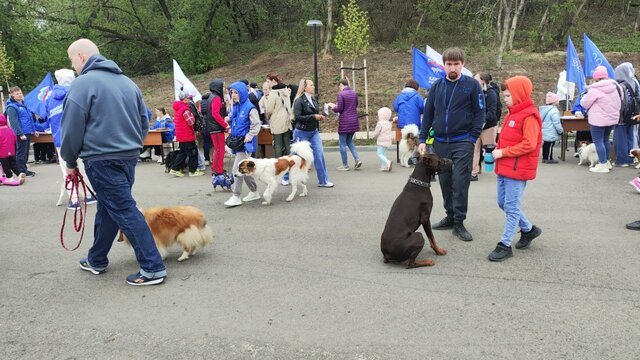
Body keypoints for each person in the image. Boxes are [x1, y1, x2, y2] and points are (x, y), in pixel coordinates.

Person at [60, 38, 166, 285]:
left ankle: (153, 268)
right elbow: (144, 120)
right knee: (110, 207)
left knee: (124, 209)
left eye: (71, 59)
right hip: (128, 157)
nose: (72, 65)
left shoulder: (82, 84)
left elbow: (71, 128)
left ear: (81, 57)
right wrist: (133, 145)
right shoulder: (128, 83)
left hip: (102, 158)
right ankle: (96, 259)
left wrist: (70, 161)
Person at [418, 47, 485, 242]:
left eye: (456, 64)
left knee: (460, 182)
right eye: (449, 64)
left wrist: (472, 138)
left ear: (463, 64)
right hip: (440, 143)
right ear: (444, 65)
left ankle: (459, 222)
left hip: (462, 141)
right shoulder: (437, 87)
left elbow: (480, 113)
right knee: (445, 182)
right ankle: (449, 216)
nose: (452, 67)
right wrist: (423, 139)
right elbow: (428, 115)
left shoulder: (472, 86)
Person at [487, 75, 543, 262]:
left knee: (511, 206)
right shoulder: (514, 112)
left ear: (519, 94)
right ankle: (528, 230)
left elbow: (529, 144)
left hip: (517, 169)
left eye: (508, 95)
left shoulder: (529, 116)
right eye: (504, 96)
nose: (505, 99)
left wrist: (503, 153)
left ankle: (504, 244)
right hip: (506, 167)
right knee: (503, 203)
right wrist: (498, 149)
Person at [46, 68, 97, 209]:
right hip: (79, 137)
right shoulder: (77, 91)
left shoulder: (50, 97)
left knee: (67, 169)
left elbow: (48, 117)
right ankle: (88, 194)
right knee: (84, 167)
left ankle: (74, 199)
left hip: (60, 139)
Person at [223, 81, 262, 207]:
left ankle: (236, 195)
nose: (233, 95)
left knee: (237, 169)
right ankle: (254, 191)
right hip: (237, 142)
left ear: (242, 93)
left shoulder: (250, 107)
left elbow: (256, 125)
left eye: (236, 92)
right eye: (232, 92)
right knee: (244, 170)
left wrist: (250, 135)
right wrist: (229, 118)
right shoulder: (237, 106)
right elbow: (234, 116)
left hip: (246, 144)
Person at [292, 78, 334, 188]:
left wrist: (322, 114)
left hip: (313, 132)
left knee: (319, 154)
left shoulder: (314, 99)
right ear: (305, 87)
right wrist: (313, 117)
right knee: (296, 157)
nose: (313, 86)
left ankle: (323, 181)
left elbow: (316, 113)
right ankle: (286, 177)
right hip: (301, 132)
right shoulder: (299, 100)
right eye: (311, 85)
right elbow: (298, 117)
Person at [580, 65, 621, 173]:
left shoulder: (595, 89)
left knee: (598, 141)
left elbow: (584, 103)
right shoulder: (615, 87)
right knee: (606, 139)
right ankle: (607, 161)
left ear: (596, 78)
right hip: (612, 118)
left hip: (598, 120)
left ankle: (602, 164)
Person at [471, 72, 500, 180]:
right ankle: (474, 172)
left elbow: (492, 112)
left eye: (476, 78)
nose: (474, 80)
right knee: (474, 149)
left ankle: (498, 170)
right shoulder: (475, 91)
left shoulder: (491, 93)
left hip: (488, 126)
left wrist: (482, 121)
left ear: (482, 80)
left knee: (489, 151)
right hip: (476, 126)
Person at [329, 78, 362, 171]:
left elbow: (339, 109)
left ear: (341, 85)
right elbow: (356, 105)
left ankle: (345, 165)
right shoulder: (354, 93)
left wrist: (333, 107)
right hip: (354, 120)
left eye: (339, 86)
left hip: (345, 121)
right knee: (349, 141)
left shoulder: (341, 94)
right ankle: (357, 159)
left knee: (342, 144)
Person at [170, 91, 205, 177]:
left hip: (181, 135)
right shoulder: (185, 109)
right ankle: (193, 171)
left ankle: (174, 169)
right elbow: (191, 122)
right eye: (188, 98)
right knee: (193, 153)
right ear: (185, 99)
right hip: (187, 135)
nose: (190, 100)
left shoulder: (178, 108)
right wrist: (193, 115)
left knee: (182, 153)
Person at [5, 86, 35, 177]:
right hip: (21, 133)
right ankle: (21, 170)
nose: (20, 95)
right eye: (17, 93)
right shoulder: (12, 107)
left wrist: (34, 130)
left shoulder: (23, 105)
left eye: (20, 93)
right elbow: (14, 122)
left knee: (25, 152)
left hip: (27, 131)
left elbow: (29, 119)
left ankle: (24, 168)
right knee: (21, 152)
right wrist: (20, 133)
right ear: (12, 95)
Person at [201, 78, 229, 176]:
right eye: (223, 86)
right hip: (216, 128)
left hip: (213, 127)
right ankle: (218, 170)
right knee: (220, 150)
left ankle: (216, 169)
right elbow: (215, 113)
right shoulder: (216, 98)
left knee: (218, 149)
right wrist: (225, 125)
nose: (224, 88)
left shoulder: (211, 97)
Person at [613, 62, 639, 166]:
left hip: (621, 115)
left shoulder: (619, 85)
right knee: (630, 136)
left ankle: (622, 160)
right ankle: (631, 158)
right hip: (633, 113)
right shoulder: (635, 82)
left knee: (620, 138)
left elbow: (617, 101)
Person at [265, 73, 293, 161]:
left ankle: (279, 164)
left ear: (273, 81)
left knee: (278, 144)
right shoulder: (286, 90)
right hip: (287, 120)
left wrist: (268, 116)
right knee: (287, 143)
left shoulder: (273, 93)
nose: (268, 84)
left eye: (268, 81)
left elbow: (269, 110)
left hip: (277, 121)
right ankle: (291, 162)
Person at [0, 113, 26, 185]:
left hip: (2, 153)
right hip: (11, 151)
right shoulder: (9, 130)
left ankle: (10, 178)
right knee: (13, 163)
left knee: (6, 166)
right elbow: (14, 138)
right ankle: (19, 174)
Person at [539, 92, 563, 164]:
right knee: (550, 145)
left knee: (546, 144)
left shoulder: (543, 110)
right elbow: (557, 123)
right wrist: (560, 130)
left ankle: (545, 157)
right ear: (554, 102)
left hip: (545, 130)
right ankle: (548, 158)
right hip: (551, 131)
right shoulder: (554, 111)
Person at [372, 107, 394, 171]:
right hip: (388, 141)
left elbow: (376, 132)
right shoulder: (389, 123)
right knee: (384, 153)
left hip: (381, 141)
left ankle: (387, 162)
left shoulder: (380, 123)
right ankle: (384, 167)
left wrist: (373, 136)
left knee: (379, 153)